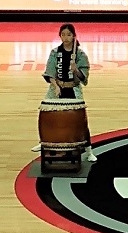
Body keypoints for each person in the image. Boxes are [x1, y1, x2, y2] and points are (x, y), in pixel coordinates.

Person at [31, 24, 96, 162]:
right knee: (49, 116)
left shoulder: (80, 54)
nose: (66, 38)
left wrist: (76, 69)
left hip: (73, 89)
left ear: (73, 36)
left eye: (69, 35)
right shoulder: (55, 52)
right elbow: (50, 71)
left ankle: (89, 150)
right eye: (63, 35)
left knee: (80, 120)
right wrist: (55, 86)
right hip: (57, 88)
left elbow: (83, 77)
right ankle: (44, 143)